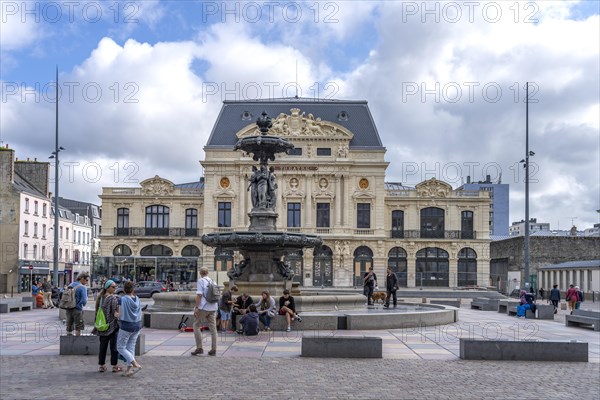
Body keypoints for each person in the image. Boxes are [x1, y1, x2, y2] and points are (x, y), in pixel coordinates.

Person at [92, 280, 123, 373]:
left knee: (103, 346)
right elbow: (115, 313)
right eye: (113, 287)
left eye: (115, 287)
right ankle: (115, 366)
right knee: (114, 347)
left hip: (102, 326)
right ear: (108, 287)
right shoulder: (113, 298)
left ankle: (102, 365)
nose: (115, 288)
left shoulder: (100, 298)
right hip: (112, 326)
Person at [116, 281, 142, 377]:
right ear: (133, 289)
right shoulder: (138, 299)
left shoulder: (122, 300)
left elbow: (120, 314)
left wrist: (116, 315)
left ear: (124, 289)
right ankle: (129, 370)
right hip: (137, 325)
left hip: (126, 326)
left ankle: (134, 362)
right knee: (131, 347)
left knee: (120, 347)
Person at [191, 267, 218, 356]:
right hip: (213, 307)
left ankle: (199, 348)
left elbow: (199, 295)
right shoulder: (213, 281)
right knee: (213, 329)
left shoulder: (201, 281)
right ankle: (213, 349)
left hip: (204, 307)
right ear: (207, 272)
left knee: (196, 326)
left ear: (200, 273)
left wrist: (196, 307)